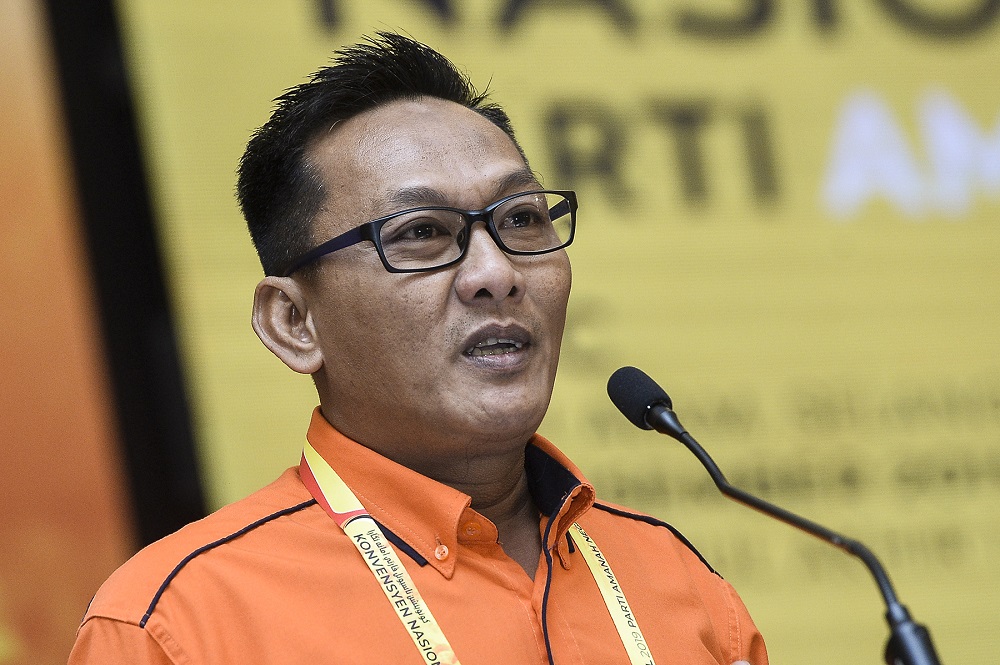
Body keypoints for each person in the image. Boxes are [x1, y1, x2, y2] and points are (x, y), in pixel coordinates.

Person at [68, 33, 768, 664]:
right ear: (292, 321)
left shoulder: (680, 585)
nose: (496, 274)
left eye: (521, 218)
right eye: (420, 233)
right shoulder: (177, 624)